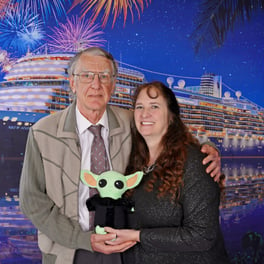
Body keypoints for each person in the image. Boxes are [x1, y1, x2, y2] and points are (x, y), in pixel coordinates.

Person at [19, 47, 222, 264]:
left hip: (124, 248)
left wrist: (207, 147)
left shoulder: (131, 121)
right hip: (68, 250)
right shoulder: (43, 132)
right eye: (87, 75)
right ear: (72, 82)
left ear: (113, 84)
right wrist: (82, 239)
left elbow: (167, 130)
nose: (96, 85)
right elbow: (31, 201)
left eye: (104, 76)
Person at [103, 81, 229, 263]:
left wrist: (138, 236)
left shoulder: (195, 162)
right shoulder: (134, 161)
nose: (145, 114)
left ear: (171, 116)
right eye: (139, 107)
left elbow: (202, 236)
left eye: (154, 106)